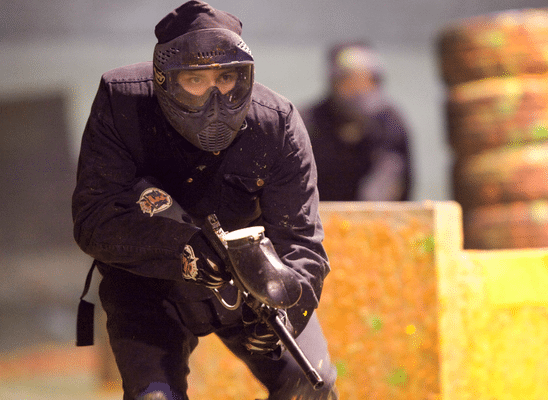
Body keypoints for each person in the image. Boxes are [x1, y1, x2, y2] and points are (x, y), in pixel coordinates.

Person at [72, 1, 338, 399]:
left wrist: (285, 306)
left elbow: (301, 241)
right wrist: (181, 250)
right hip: (149, 286)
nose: (215, 98)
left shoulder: (276, 122)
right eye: (196, 80)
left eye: (227, 78)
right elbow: (94, 218)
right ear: (165, 80)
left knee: (311, 385)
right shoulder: (121, 101)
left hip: (253, 287)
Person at [302, 41, 412, 201]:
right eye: (349, 81)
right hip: (316, 216)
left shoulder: (389, 121)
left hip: (379, 218)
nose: (358, 90)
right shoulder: (308, 121)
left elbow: (393, 179)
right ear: (334, 82)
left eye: (366, 80)